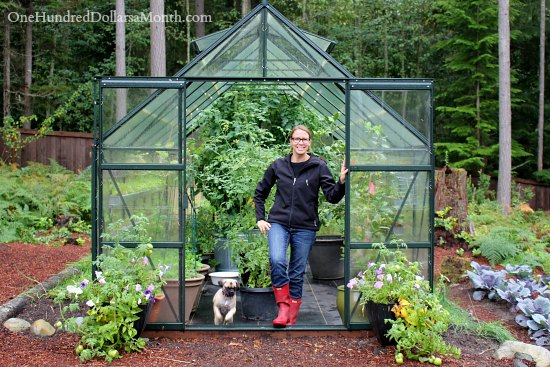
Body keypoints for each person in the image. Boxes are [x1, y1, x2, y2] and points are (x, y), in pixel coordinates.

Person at [254, 125, 348, 328]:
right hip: (278, 222)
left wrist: (341, 182)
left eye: (304, 139)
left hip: (305, 226)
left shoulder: (319, 166)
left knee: (297, 271)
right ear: (290, 141)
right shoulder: (278, 166)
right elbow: (260, 192)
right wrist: (260, 218)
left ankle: (293, 309)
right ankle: (283, 307)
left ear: (309, 142)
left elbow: (332, 196)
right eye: (297, 139)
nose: (300, 143)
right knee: (277, 259)